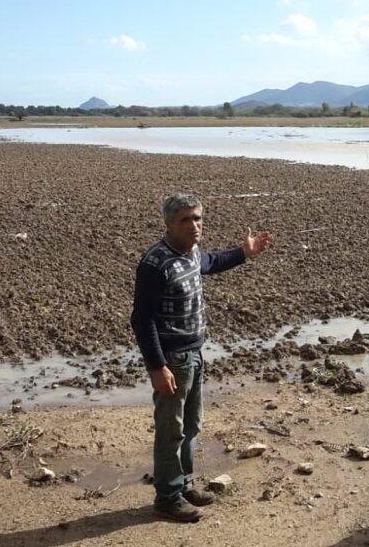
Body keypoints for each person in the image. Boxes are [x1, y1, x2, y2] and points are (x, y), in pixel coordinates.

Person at [130, 192, 272, 523]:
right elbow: (142, 319)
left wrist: (244, 253)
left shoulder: (192, 253)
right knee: (170, 429)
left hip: (194, 352)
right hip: (172, 359)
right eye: (186, 220)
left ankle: (184, 485)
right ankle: (167, 497)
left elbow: (212, 262)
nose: (195, 225)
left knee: (191, 425)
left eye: (198, 218)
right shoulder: (155, 263)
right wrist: (156, 366)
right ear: (168, 224)